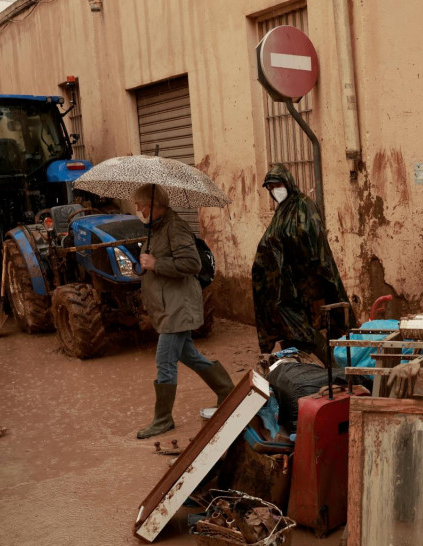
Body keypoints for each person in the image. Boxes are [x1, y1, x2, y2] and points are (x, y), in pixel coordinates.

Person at [134, 184, 234, 439]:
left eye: (141, 205)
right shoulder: (155, 230)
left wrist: (157, 263)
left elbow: (192, 263)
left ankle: (163, 420)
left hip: (179, 308)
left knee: (164, 362)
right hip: (170, 306)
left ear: (154, 205)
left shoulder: (175, 226)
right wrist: (145, 262)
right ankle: (227, 392)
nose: (138, 210)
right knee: (189, 355)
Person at [252, 164, 355, 363]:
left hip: (304, 282)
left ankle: (334, 367)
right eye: (271, 187)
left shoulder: (303, 205)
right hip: (284, 285)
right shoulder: (282, 210)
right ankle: (298, 368)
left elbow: (311, 242)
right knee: (289, 330)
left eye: (278, 184)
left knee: (301, 328)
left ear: (288, 183)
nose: (275, 190)